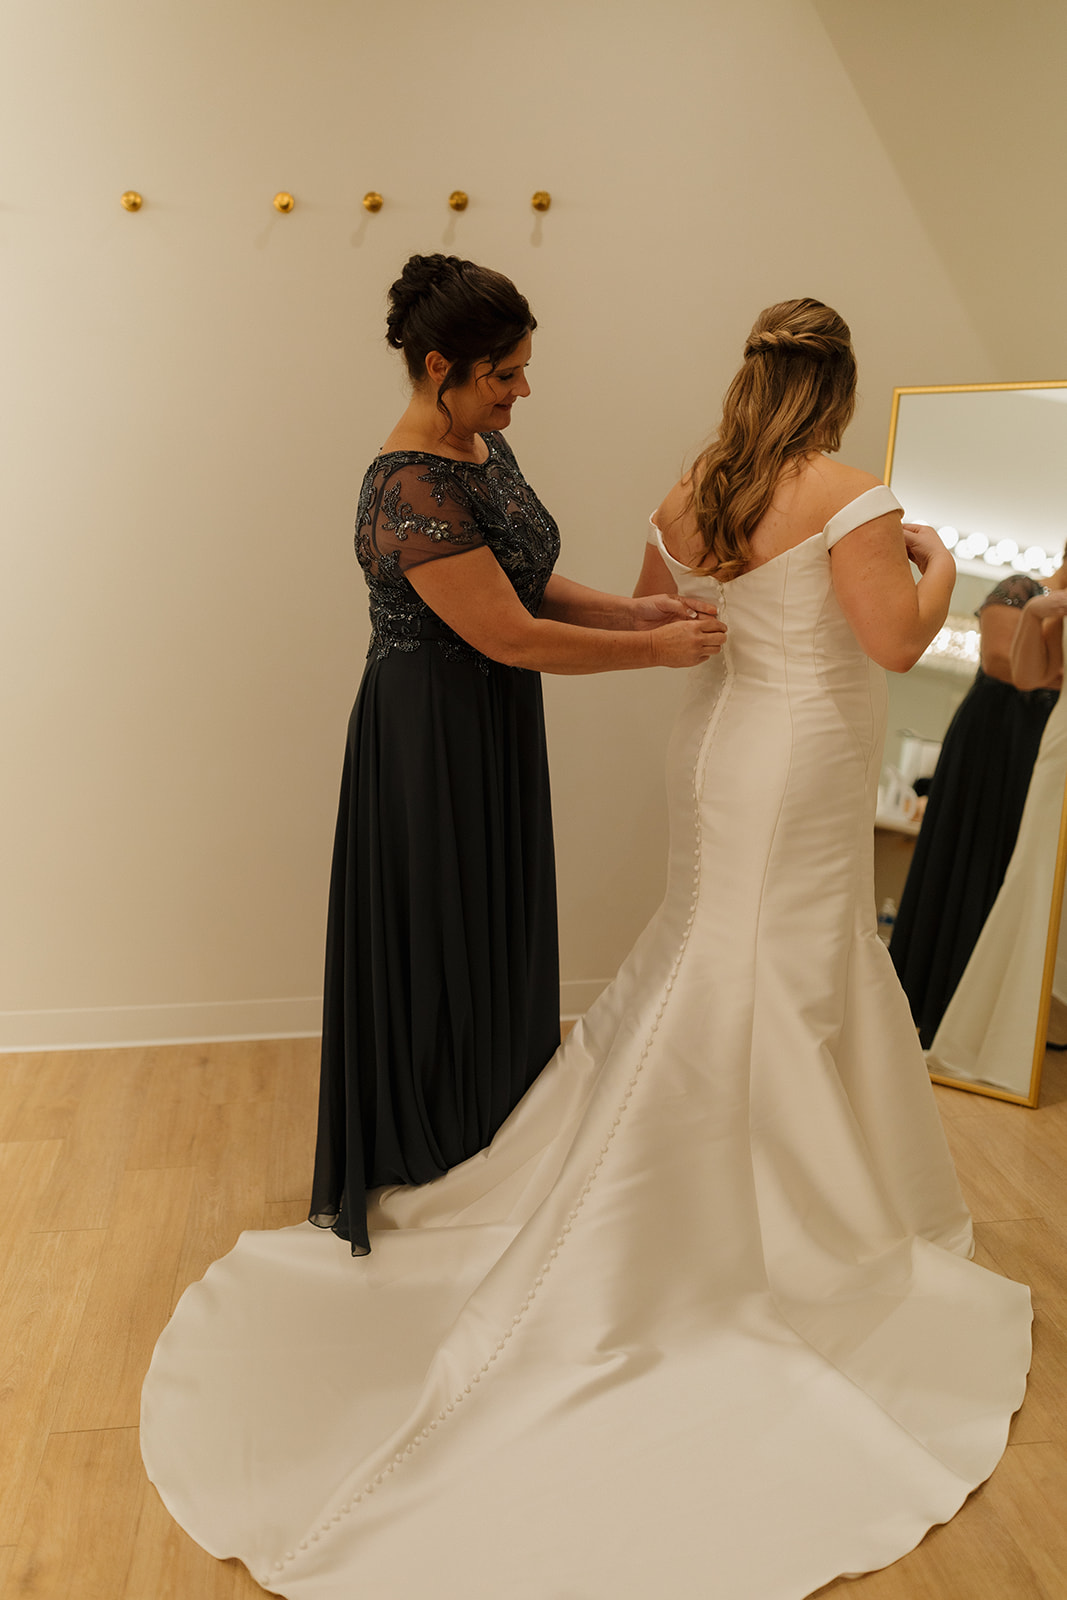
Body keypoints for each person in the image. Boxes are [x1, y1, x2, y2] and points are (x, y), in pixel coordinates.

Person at [142, 299, 1031, 1599]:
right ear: (831, 389)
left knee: (721, 959)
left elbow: (654, 607)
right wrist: (936, 563)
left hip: (717, 752)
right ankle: (788, 1224)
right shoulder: (852, 492)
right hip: (800, 761)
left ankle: (746, 1181)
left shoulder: (695, 490)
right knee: (777, 978)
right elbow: (892, 642)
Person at [310, 254, 724, 1255]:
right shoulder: (409, 484)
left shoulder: (477, 449)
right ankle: (435, 1150)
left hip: (487, 717)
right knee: (442, 925)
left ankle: (494, 1135)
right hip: (430, 735)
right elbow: (507, 635)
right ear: (440, 365)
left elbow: (524, 582)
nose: (521, 390)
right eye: (505, 374)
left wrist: (630, 607)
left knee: (490, 917)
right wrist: (651, 650)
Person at [891, 570, 1062, 1046]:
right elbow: (1002, 662)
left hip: (1043, 745)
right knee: (970, 854)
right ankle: (932, 1004)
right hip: (993, 738)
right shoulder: (1022, 588)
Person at [927, 579, 1067, 1095]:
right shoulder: (1033, 597)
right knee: (1007, 866)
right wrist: (1035, 616)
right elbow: (1014, 670)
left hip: (1038, 733)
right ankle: (981, 1012)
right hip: (1011, 738)